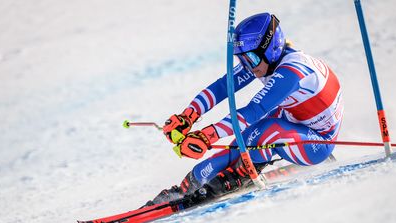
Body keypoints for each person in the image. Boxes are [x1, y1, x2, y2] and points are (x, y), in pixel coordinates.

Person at [146, 12, 344, 206]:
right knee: (241, 143)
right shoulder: (264, 61)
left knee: (266, 129)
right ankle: (188, 186)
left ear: (271, 48)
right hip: (292, 121)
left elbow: (254, 110)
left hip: (317, 143)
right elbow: (224, 86)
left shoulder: (293, 70)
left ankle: (243, 175)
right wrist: (189, 115)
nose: (249, 67)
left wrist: (208, 136)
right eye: (242, 60)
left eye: (251, 59)